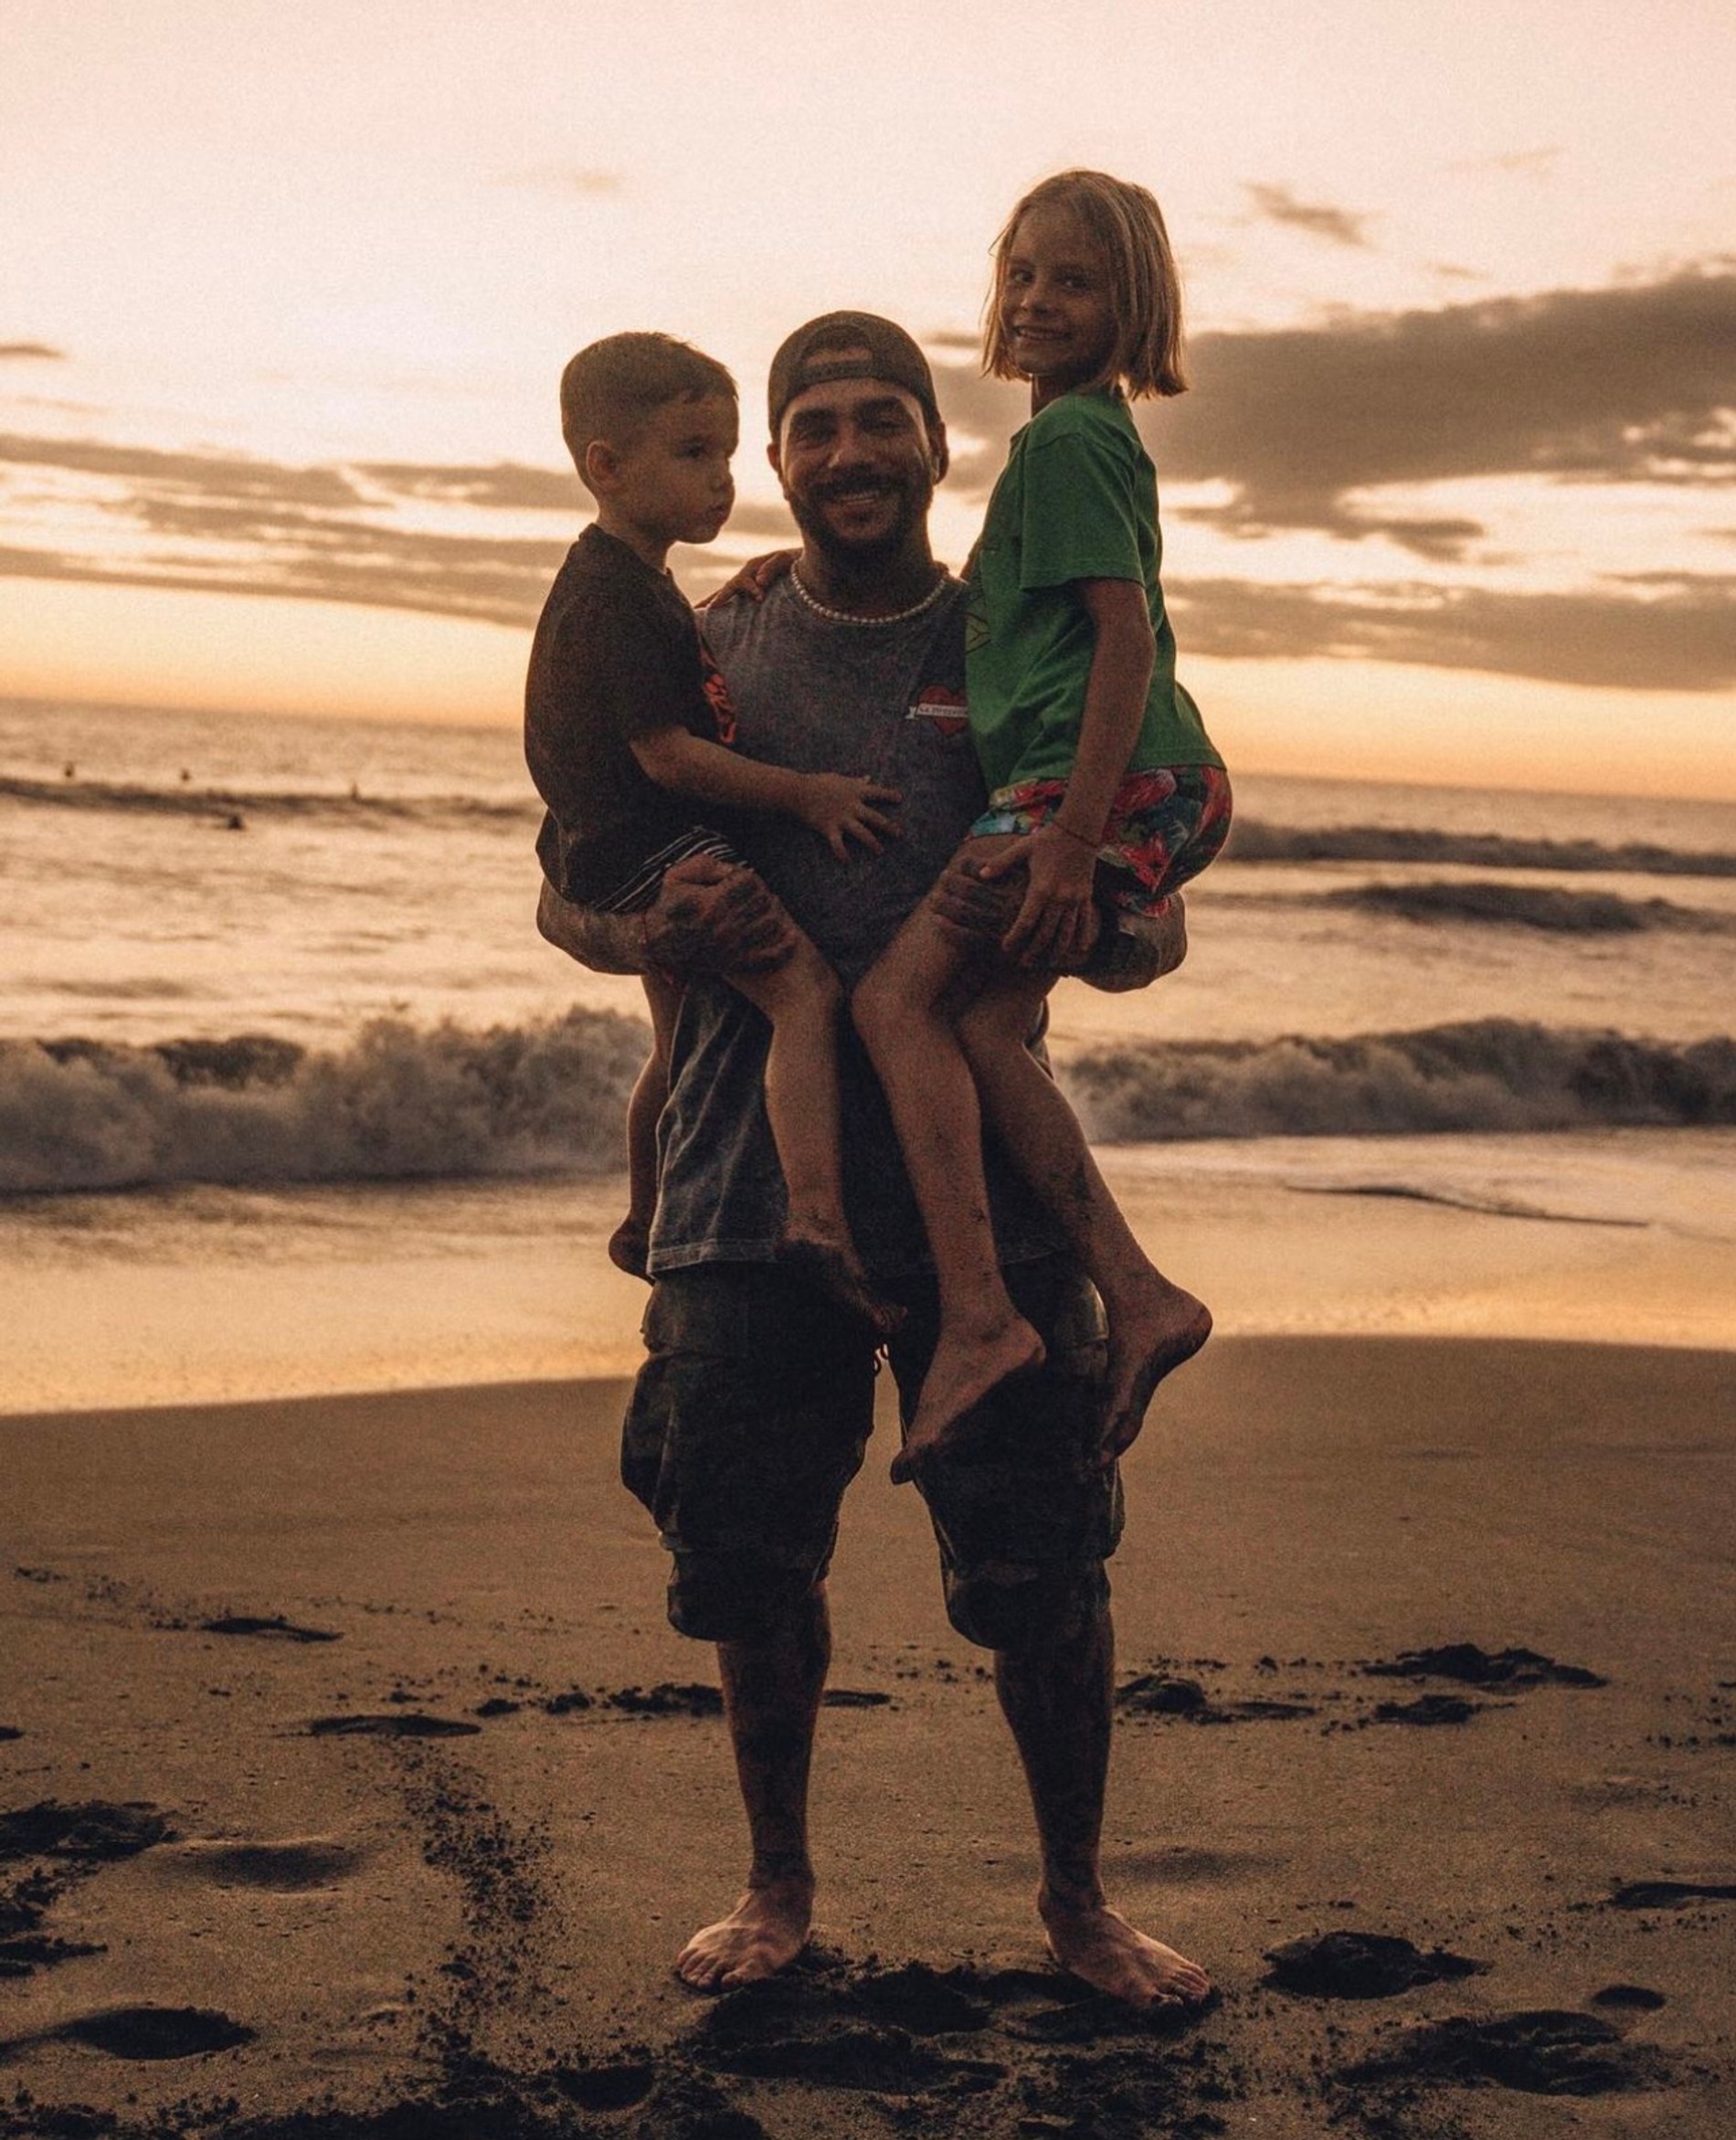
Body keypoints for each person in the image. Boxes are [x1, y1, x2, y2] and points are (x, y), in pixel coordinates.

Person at [536, 311, 1210, 2011]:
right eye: (814, 427)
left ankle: (1079, 1902)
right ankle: (776, 1887)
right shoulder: (707, 641)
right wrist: (634, 927)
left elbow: (1149, 897)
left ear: (935, 442)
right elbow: (565, 878)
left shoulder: (1016, 632)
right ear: (773, 459)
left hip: (986, 1210)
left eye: (879, 420)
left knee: (1046, 1570)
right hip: (738, 1196)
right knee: (749, 1564)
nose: (848, 452)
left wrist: (1110, 934)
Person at [852, 171, 1231, 1483]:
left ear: (1135, 304)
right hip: (1139, 779)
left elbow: (1125, 641)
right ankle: (1140, 1292)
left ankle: (981, 1315)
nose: (1037, 300)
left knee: (895, 1003)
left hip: (1090, 781)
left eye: (1074, 280)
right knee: (981, 1025)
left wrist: (1069, 840)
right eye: (1021, 275)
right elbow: (1030, 616)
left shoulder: (1067, 440)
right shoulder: (1080, 441)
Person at [524, 331, 900, 1330]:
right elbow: (667, 754)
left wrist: (754, 577)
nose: (722, 478)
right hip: (655, 848)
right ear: (606, 467)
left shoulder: (629, 584)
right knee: (803, 992)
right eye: (694, 454)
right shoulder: (621, 599)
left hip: (608, 849)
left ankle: (641, 1215)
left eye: (728, 454)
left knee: (675, 1040)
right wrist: (806, 795)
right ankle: (815, 1214)